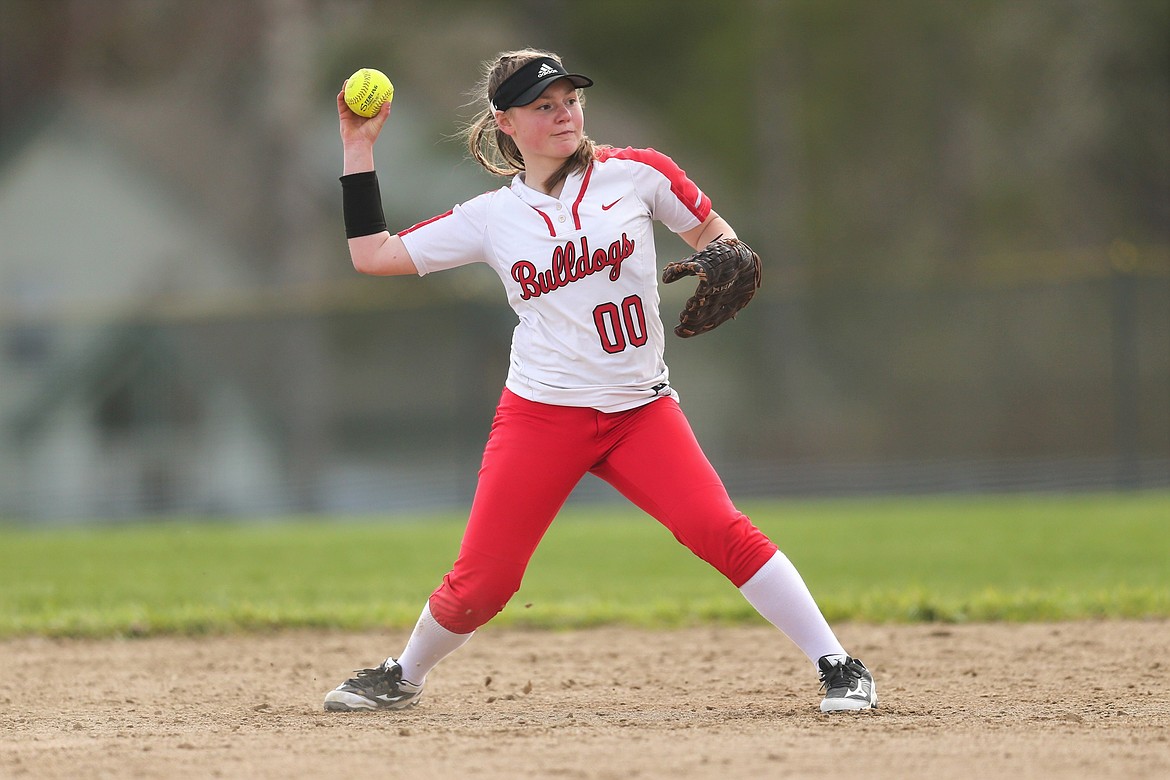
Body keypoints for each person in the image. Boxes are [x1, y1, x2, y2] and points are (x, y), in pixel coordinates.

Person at [324, 48, 877, 714]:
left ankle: (840, 664)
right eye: (543, 105)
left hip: (639, 412)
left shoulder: (636, 175)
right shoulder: (492, 218)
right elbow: (372, 254)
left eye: (570, 100)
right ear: (506, 123)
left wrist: (725, 253)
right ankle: (402, 674)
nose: (564, 114)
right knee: (483, 584)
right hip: (541, 415)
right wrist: (359, 147)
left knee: (721, 529)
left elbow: (709, 227)